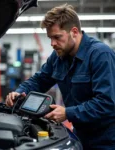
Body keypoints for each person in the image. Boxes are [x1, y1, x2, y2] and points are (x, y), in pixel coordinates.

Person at [6, 3, 115, 150]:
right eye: (50, 38)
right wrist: (19, 92)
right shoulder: (58, 57)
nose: (52, 43)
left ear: (74, 32)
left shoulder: (100, 55)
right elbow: (39, 80)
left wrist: (67, 112)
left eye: (57, 37)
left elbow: (106, 103)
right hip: (80, 133)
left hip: (106, 139)